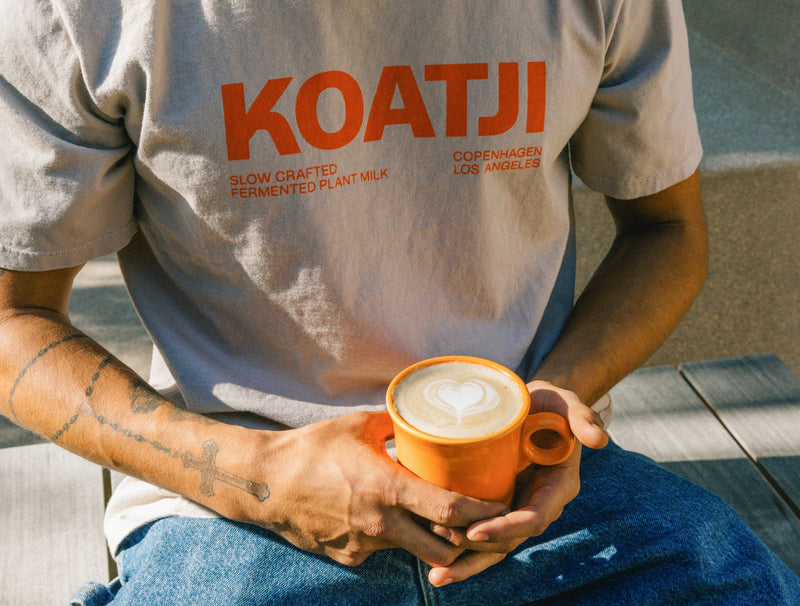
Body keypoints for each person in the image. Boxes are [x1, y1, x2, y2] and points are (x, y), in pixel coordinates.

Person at [1, 1, 798, 604]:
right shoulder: (85, 14)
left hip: (537, 489)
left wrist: (555, 402)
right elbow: (13, 322)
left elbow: (666, 229)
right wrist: (255, 475)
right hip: (232, 514)